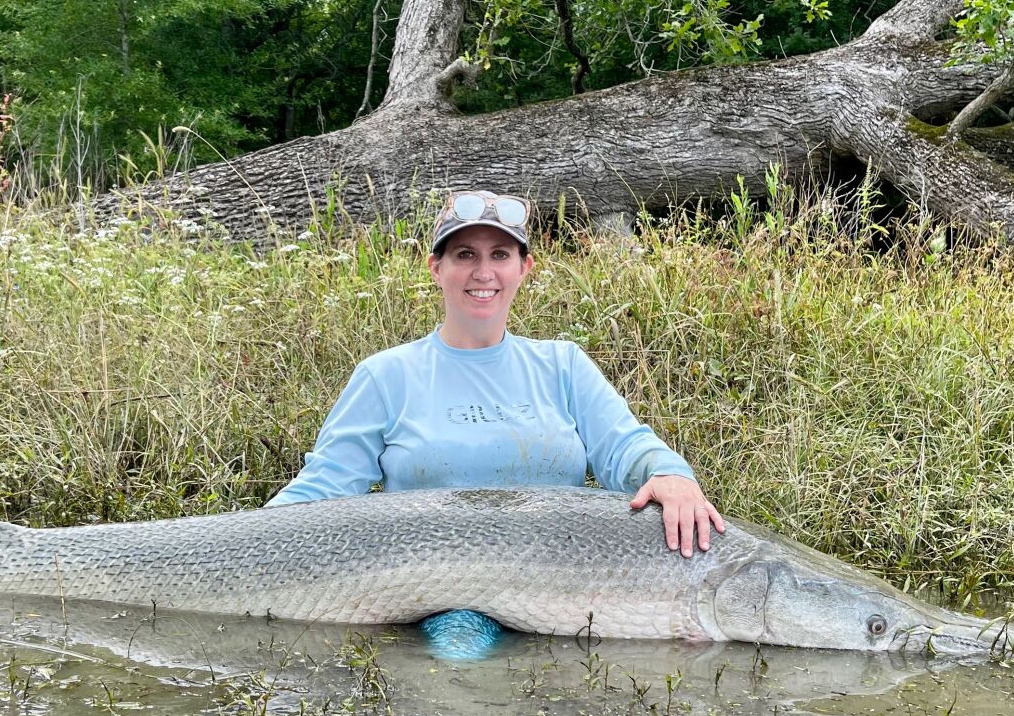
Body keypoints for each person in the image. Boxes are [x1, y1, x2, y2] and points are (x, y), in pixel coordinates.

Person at [267, 189, 725, 557]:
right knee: (463, 655)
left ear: (523, 267)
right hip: (431, 585)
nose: (483, 272)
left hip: (557, 577)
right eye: (465, 254)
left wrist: (671, 474)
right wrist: (230, 538)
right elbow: (324, 489)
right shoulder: (386, 375)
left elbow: (625, 447)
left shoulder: (562, 364)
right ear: (436, 268)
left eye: (500, 255)